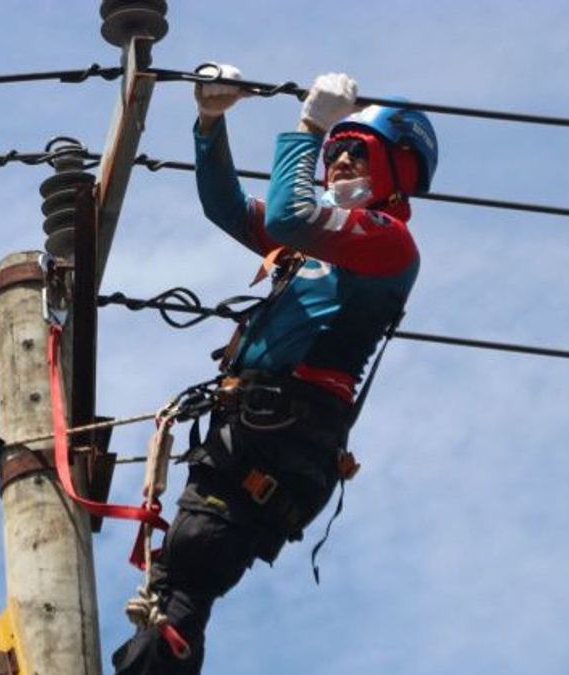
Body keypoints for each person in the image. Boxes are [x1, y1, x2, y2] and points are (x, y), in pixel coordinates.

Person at [111, 68, 438, 674]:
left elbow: (289, 217)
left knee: (198, 557)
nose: (336, 163)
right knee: (181, 583)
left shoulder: (390, 244)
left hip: (282, 437)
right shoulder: (319, 245)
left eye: (354, 152)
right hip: (253, 432)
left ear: (399, 172)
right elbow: (225, 206)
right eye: (333, 152)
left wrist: (312, 126)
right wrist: (211, 124)